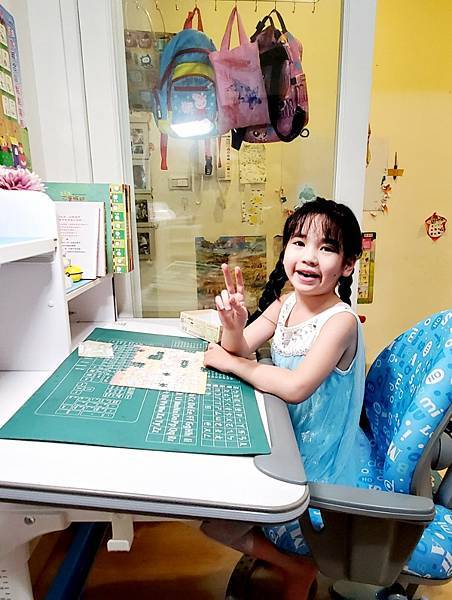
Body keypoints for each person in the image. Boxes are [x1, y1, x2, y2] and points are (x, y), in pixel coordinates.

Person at [202, 197, 368, 600]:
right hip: (282, 435)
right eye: (299, 242)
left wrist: (231, 362)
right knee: (210, 508)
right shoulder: (287, 301)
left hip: (316, 461)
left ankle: (296, 566)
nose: (309, 257)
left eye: (326, 248)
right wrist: (234, 325)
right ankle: (289, 561)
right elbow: (241, 347)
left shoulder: (341, 322)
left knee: (216, 523)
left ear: (347, 265)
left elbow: (295, 387)